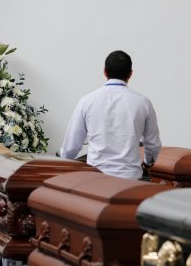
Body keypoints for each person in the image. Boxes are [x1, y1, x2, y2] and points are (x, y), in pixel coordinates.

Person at [60, 50, 162, 179]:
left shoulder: (87, 101)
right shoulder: (143, 103)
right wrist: (147, 164)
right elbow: (153, 145)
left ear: (105, 72)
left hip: (96, 178)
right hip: (130, 179)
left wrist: (62, 163)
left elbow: (71, 146)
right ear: (130, 74)